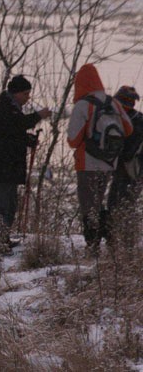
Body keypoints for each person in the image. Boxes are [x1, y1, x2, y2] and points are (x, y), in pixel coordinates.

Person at [67, 64, 133, 255]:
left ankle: (93, 243)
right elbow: (128, 129)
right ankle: (109, 234)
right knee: (98, 200)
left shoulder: (82, 105)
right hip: (108, 162)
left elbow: (73, 140)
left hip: (87, 162)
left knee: (88, 204)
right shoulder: (113, 103)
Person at [0, 75, 51, 253]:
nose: (28, 97)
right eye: (26, 93)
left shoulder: (11, 108)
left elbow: (11, 134)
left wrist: (27, 140)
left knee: (8, 205)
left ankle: (1, 239)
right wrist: (38, 116)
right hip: (2, 167)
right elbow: (14, 127)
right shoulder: (4, 109)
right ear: (16, 93)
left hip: (8, 167)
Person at [105, 86, 143, 243]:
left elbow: (128, 150)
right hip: (131, 170)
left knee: (119, 205)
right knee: (122, 205)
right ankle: (120, 241)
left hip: (131, 169)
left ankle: (122, 242)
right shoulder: (136, 118)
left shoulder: (135, 121)